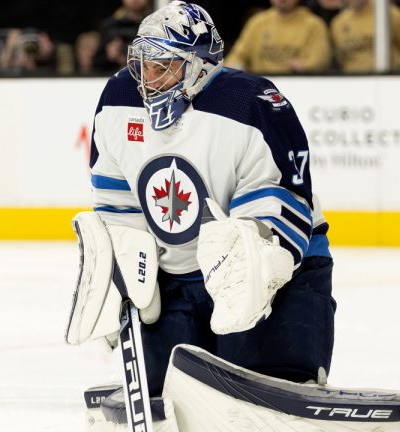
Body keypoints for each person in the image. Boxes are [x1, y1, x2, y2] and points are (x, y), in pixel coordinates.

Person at [66, 0, 334, 406]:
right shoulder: (119, 97)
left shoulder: (252, 104)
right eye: (143, 64)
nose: (148, 79)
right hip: (176, 280)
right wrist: (125, 269)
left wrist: (247, 275)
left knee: (263, 393)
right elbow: (116, 199)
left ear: (200, 64)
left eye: (164, 66)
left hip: (277, 275)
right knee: (168, 397)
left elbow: (279, 209)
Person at [225, 0, 331, 74]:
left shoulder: (314, 25)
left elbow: (320, 61)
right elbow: (238, 55)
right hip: (259, 85)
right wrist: (234, 66)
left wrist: (305, 66)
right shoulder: (257, 22)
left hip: (297, 84)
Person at [330, 0, 400, 73]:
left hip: (388, 77)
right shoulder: (338, 22)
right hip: (351, 80)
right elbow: (340, 57)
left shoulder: (391, 15)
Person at [92, 0, 153, 73]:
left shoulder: (156, 24)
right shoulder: (111, 26)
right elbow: (96, 64)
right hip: (114, 74)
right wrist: (109, 56)